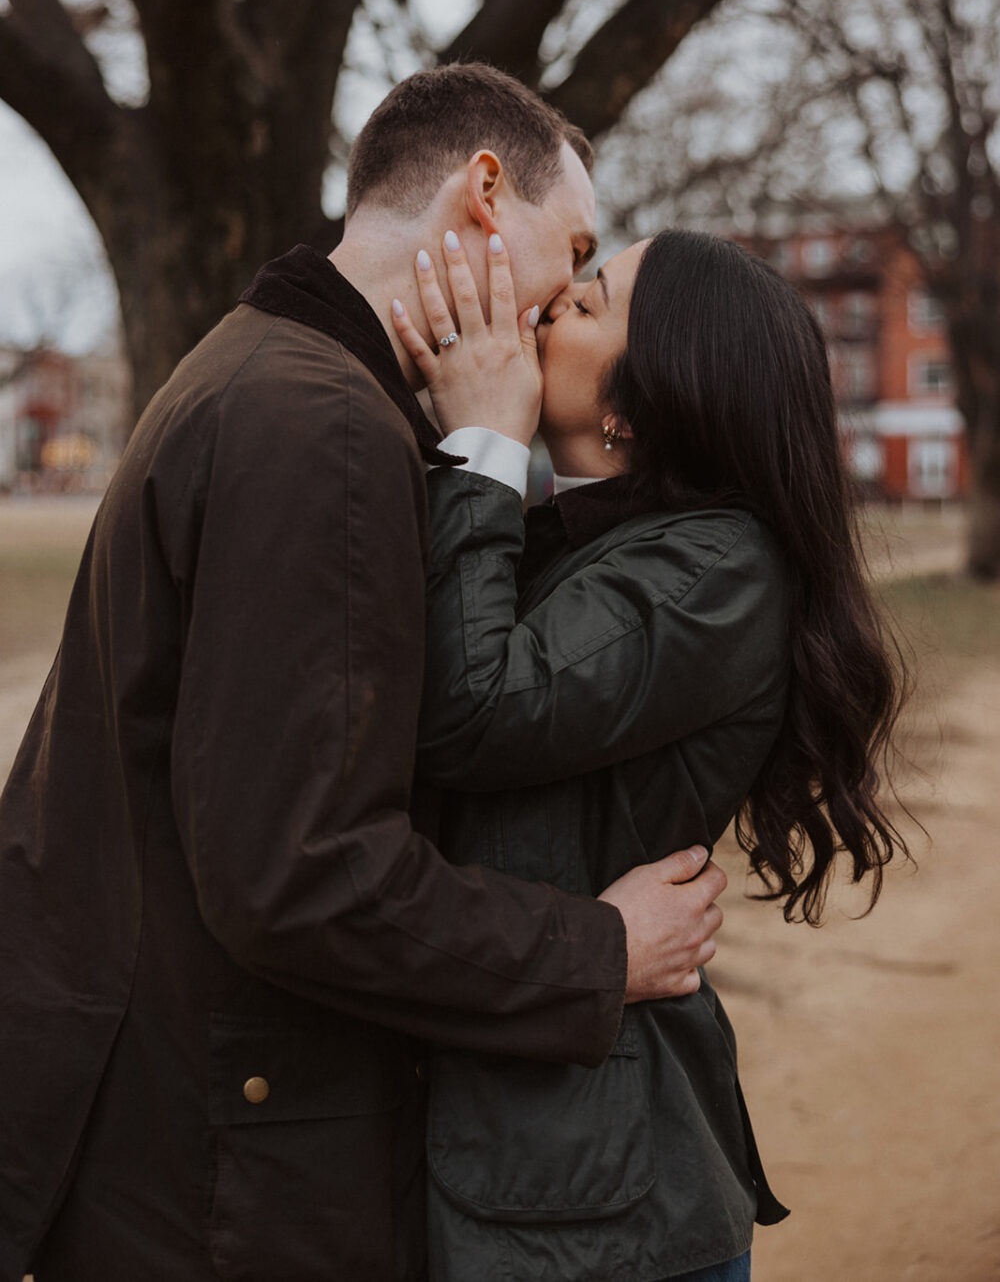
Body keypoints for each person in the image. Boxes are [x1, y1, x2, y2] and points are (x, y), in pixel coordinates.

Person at [0, 65, 727, 1282]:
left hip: (181, 1126)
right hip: (215, 1175)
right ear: (484, 195)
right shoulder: (320, 426)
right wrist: (598, 951)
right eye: (577, 250)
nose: (561, 306)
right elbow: (301, 876)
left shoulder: (264, 372)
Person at [392, 225, 910, 1282]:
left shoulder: (717, 572)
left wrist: (485, 441)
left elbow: (477, 708)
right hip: (526, 1170)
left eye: (586, 305)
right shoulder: (581, 535)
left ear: (642, 400)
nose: (544, 311)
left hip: (599, 1217)